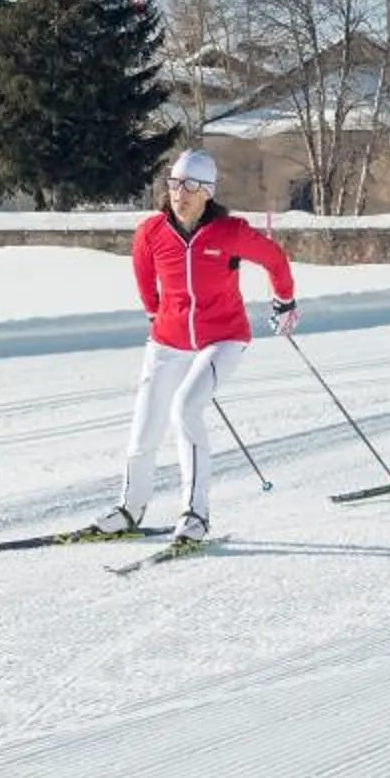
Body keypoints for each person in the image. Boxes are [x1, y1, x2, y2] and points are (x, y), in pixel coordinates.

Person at [91, 148, 298, 548]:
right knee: (145, 426)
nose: (178, 193)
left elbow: (274, 258)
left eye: (188, 186)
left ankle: (195, 513)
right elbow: (143, 276)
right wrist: (157, 313)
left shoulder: (230, 232)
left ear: (207, 192)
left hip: (223, 338)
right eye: (173, 183)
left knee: (186, 407)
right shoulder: (150, 232)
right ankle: (130, 509)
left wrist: (284, 300)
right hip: (168, 341)